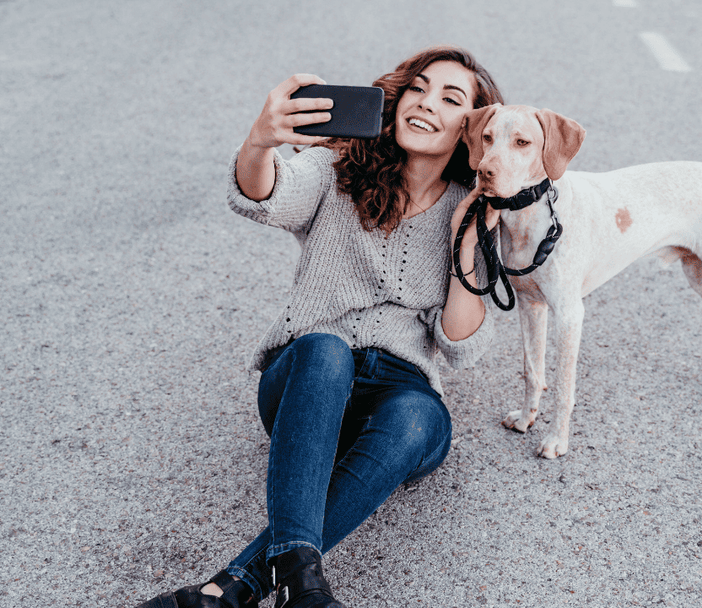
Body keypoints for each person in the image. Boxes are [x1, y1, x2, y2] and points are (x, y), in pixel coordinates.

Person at [137, 45, 504, 608]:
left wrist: (466, 237)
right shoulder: (342, 170)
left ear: (472, 129)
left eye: (450, 98)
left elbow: (458, 343)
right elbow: (264, 194)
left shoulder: (470, 206)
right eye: (418, 88)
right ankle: (297, 590)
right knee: (327, 350)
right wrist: (260, 140)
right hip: (305, 380)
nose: (425, 102)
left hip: (399, 395)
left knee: (417, 415)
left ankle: (239, 587)